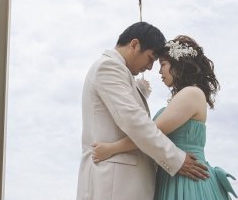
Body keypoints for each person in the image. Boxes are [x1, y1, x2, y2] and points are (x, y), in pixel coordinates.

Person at [91, 35, 237, 199]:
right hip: (175, 175)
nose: (159, 71)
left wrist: (111, 149)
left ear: (179, 64)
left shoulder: (191, 93)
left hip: (187, 181)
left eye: (163, 64)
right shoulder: (186, 95)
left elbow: (150, 133)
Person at [77, 23, 209, 200]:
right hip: (114, 183)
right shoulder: (108, 67)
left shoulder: (119, 72)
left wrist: (140, 91)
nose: (149, 67)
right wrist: (176, 158)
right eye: (150, 58)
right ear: (134, 45)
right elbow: (135, 121)